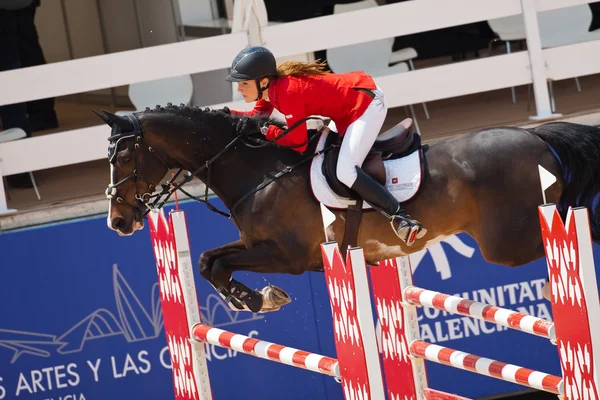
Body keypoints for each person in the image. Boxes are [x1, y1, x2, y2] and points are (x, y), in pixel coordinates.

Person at [225, 46, 426, 245]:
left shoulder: (287, 92)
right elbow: (255, 117)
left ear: (264, 81)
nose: (239, 88)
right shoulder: (271, 90)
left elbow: (299, 143)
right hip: (348, 106)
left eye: (244, 83)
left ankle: (401, 217)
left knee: (345, 172)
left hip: (366, 105)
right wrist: (226, 115)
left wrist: (266, 131)